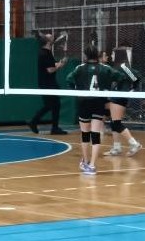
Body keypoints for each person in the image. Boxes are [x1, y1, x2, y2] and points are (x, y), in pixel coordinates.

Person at [67, 45, 125, 175]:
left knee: (85, 134)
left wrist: (76, 92)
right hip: (99, 103)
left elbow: (69, 79)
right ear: (98, 55)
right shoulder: (105, 68)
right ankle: (92, 165)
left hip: (84, 103)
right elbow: (120, 77)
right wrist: (111, 89)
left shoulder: (79, 68)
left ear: (85, 55)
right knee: (95, 134)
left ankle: (86, 161)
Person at [100, 50, 142, 157]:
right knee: (113, 122)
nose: (111, 55)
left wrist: (132, 89)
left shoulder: (124, 67)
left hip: (119, 98)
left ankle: (134, 144)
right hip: (115, 96)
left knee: (116, 123)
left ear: (119, 55)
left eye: (113, 54)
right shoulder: (116, 67)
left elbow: (136, 78)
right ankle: (116, 148)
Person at [29, 32, 68, 135]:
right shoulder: (44, 53)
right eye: (49, 36)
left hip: (49, 83)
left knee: (53, 105)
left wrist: (61, 63)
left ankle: (52, 127)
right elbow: (50, 69)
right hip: (47, 84)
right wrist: (59, 65)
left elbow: (52, 65)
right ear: (47, 41)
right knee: (52, 105)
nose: (52, 36)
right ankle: (35, 122)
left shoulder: (47, 52)